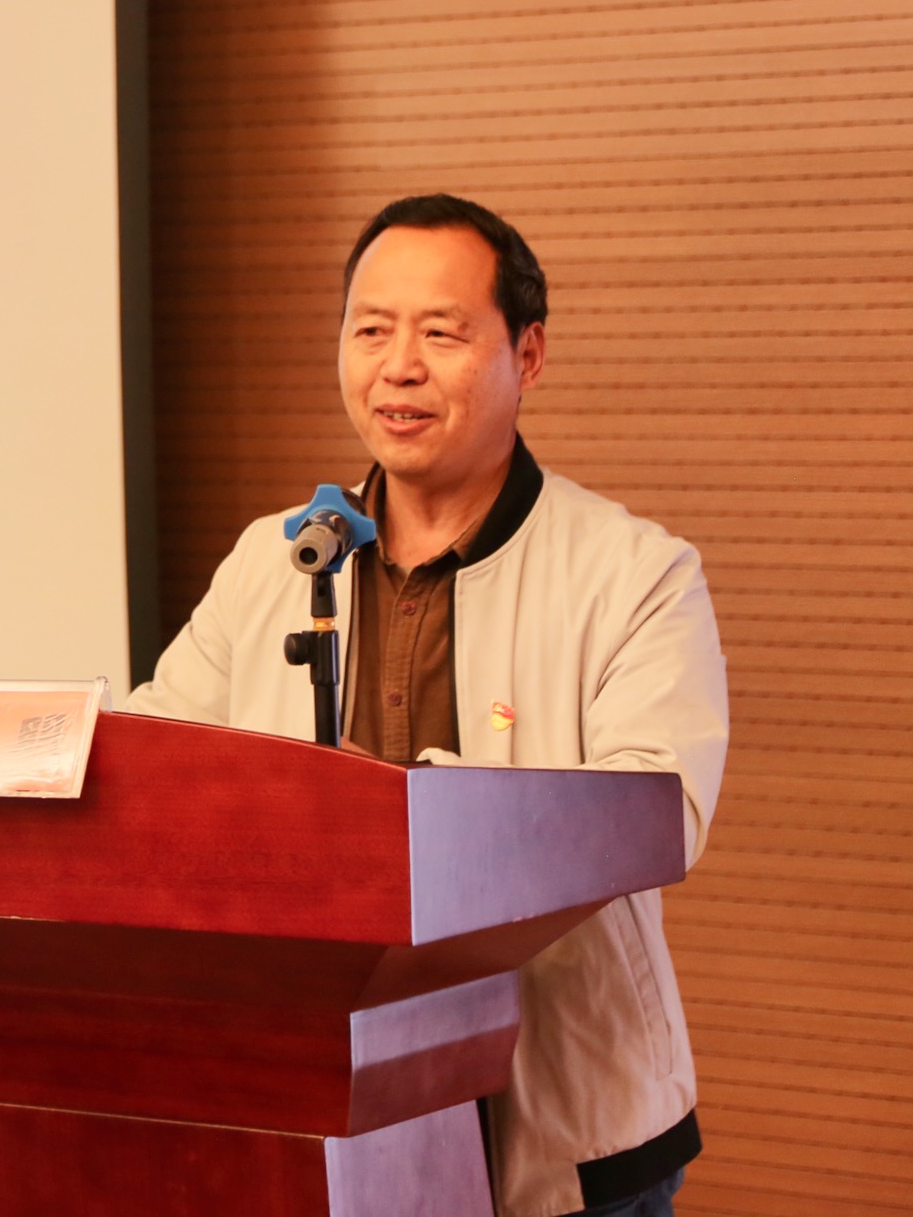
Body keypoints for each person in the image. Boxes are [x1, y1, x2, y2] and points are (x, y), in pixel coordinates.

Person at [128, 194, 730, 1217]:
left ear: (527, 355)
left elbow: (657, 813)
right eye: (371, 330)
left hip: (560, 1116)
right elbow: (158, 757)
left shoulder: (634, 571)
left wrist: (401, 814)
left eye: (440, 335)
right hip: (325, 1108)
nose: (397, 367)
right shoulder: (276, 557)